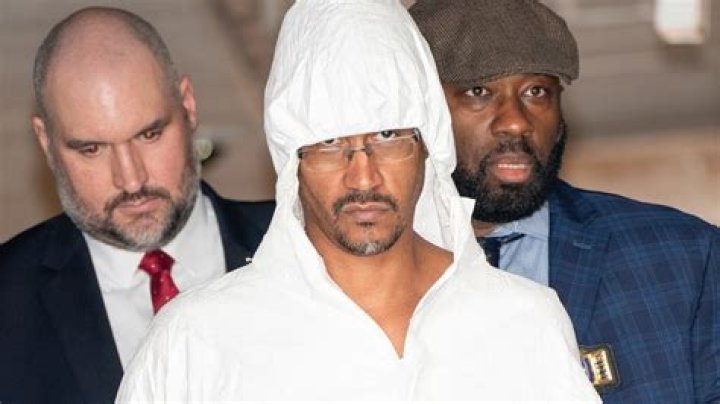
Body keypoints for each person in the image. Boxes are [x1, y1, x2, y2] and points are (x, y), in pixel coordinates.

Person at [116, 0, 600, 401]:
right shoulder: (198, 342)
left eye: (388, 136)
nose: (362, 175)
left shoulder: (522, 320)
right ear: (290, 159)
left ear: (429, 145)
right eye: (329, 143)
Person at [409, 1, 720, 403]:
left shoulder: (686, 258)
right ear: (419, 113)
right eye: (479, 92)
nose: (516, 121)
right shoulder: (355, 275)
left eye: (535, 92)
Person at [0, 7, 274, 404]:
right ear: (46, 142)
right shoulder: (8, 301)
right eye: (92, 149)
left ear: (188, 105)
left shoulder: (306, 249)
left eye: (149, 134)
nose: (131, 179)